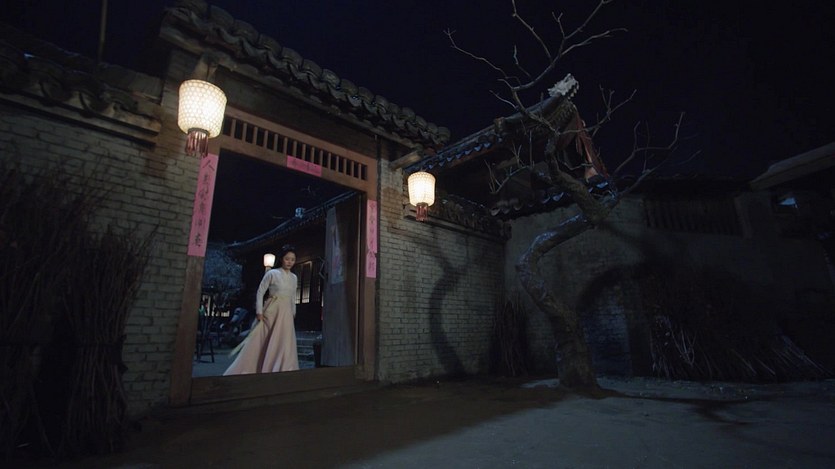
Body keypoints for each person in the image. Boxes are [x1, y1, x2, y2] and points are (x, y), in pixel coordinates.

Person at [223, 245, 299, 375]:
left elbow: (292, 296)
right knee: (265, 338)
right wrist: (259, 311)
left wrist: (293, 311)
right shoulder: (272, 273)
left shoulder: (294, 277)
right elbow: (260, 291)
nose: (289, 262)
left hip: (286, 311)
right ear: (282, 259)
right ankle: (261, 365)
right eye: (287, 259)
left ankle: (285, 367)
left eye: (292, 259)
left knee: (285, 339)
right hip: (272, 309)